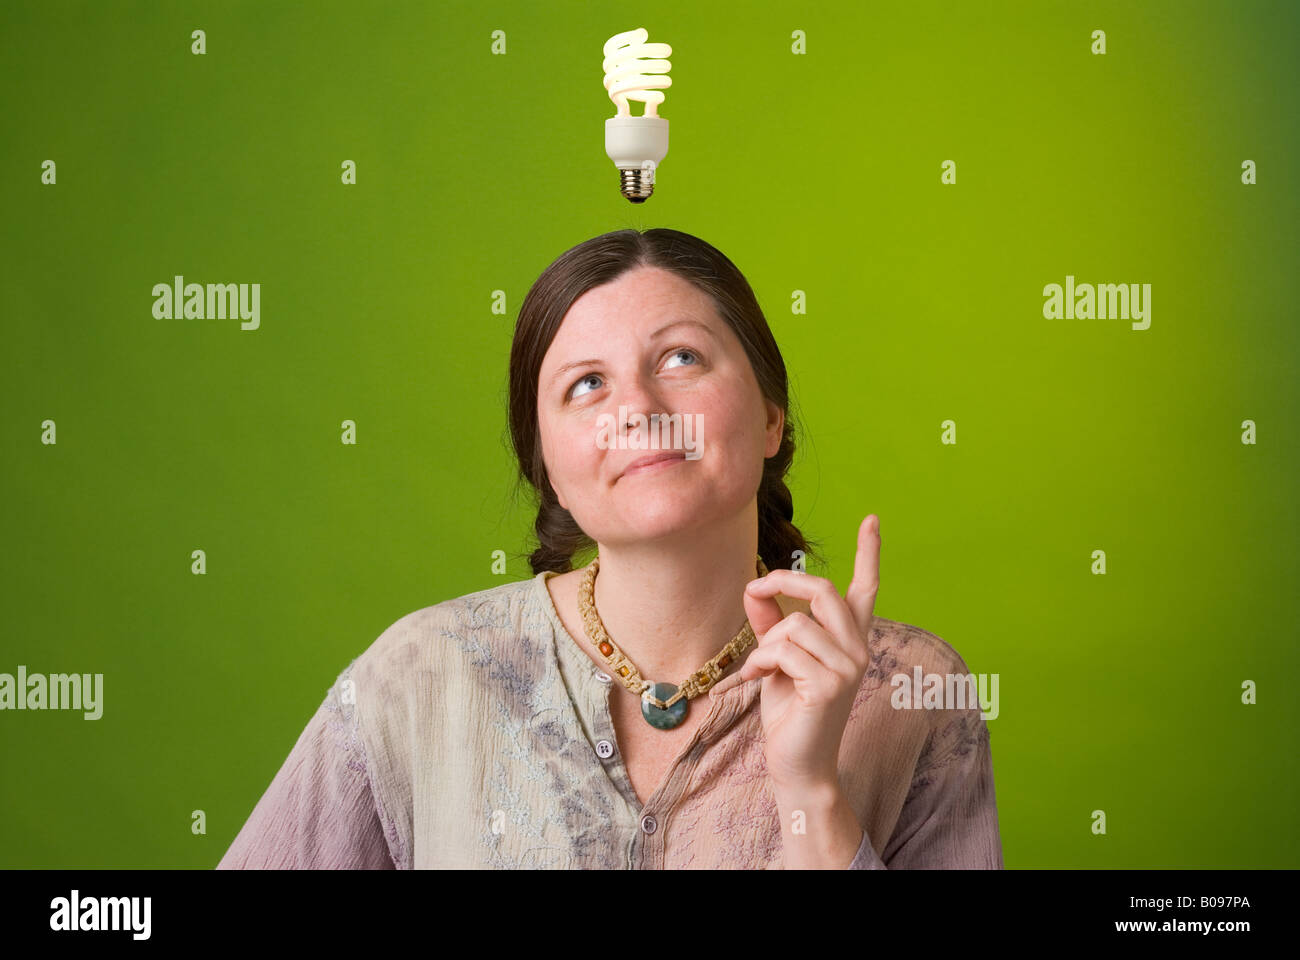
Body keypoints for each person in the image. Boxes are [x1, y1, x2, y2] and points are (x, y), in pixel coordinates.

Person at [216, 228, 1003, 869]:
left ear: (770, 418)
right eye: (586, 385)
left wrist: (811, 798)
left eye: (681, 359)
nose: (639, 408)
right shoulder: (421, 677)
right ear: (549, 470)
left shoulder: (911, 693)